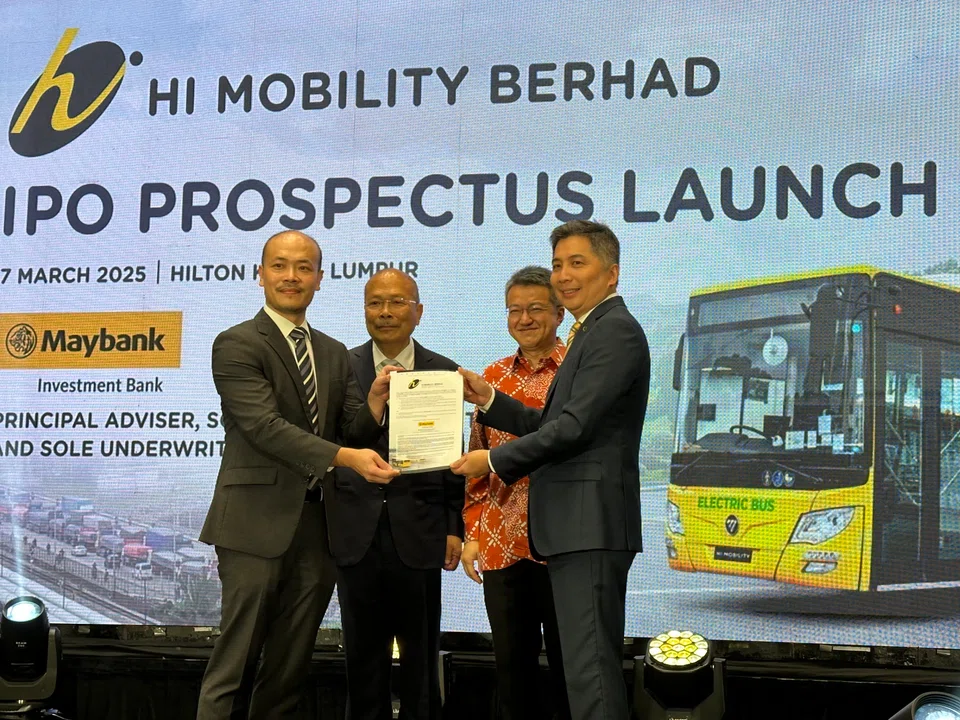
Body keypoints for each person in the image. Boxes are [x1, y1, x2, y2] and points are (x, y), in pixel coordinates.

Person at [196, 230, 399, 720]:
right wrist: (346, 457)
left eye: (304, 268)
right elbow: (265, 427)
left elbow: (350, 429)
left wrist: (373, 402)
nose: (292, 277)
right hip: (253, 525)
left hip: (317, 527)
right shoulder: (237, 343)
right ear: (260, 274)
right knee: (236, 662)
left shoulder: (332, 352)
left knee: (288, 668)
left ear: (320, 279)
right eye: (281, 266)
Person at [452, 220, 650, 720]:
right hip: (575, 527)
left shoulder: (615, 332)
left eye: (577, 263)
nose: (563, 275)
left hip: (588, 526)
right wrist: (491, 399)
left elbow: (575, 428)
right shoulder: (596, 330)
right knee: (588, 675)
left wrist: (493, 459)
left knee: (591, 677)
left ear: (613, 273)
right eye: (559, 264)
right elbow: (553, 422)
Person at [327, 268, 463, 720]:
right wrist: (374, 403)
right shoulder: (339, 367)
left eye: (398, 302)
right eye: (375, 303)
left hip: (420, 531)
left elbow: (451, 460)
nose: (386, 312)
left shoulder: (443, 371)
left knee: (422, 660)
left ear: (418, 311)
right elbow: (335, 441)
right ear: (364, 310)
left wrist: (453, 527)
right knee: (362, 661)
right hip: (355, 532)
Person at [461, 265, 571, 720]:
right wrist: (472, 532)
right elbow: (477, 463)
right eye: (514, 310)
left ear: (560, 312)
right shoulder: (492, 377)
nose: (524, 319)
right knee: (511, 673)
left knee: (573, 672)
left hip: (565, 546)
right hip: (503, 548)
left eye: (535, 309)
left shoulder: (577, 371)